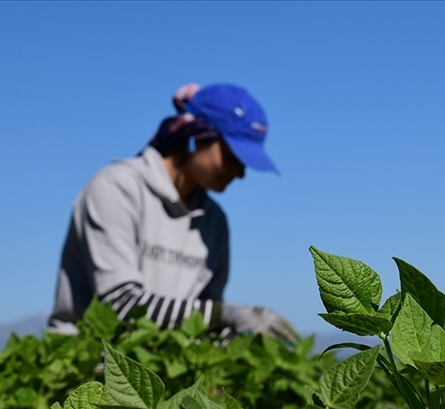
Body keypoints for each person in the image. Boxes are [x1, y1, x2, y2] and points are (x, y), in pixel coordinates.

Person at [49, 83, 297, 343]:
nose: (240, 173)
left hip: (160, 362)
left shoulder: (214, 222)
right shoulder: (115, 189)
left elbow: (201, 324)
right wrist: (230, 314)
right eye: (232, 156)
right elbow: (121, 304)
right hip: (86, 364)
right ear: (195, 136)